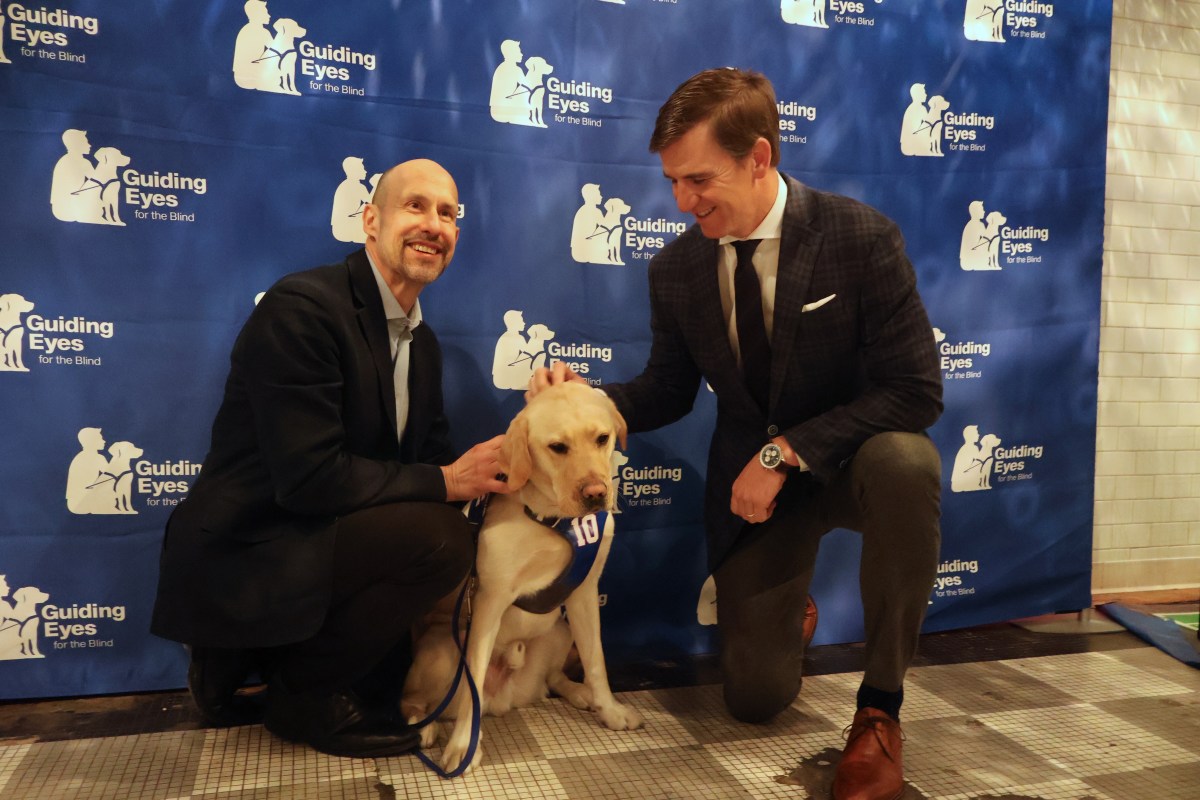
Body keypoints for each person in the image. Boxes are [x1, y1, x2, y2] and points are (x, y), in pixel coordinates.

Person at [531, 68, 942, 800]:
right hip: (756, 499)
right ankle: (790, 614)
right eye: (671, 182)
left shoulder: (861, 237)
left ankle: (881, 709)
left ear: (759, 157)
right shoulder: (678, 268)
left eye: (698, 180)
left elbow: (915, 391)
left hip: (851, 465)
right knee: (753, 699)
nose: (682, 202)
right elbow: (666, 389)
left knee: (907, 462)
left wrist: (785, 453)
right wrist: (586, 402)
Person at [151, 159, 510, 759]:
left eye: (448, 213)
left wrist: (520, 447)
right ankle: (294, 694)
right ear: (371, 221)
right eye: (415, 206)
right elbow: (311, 479)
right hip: (255, 542)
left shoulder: (423, 345)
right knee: (440, 539)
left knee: (396, 661)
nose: (434, 225)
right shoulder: (304, 309)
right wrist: (448, 481)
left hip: (329, 536)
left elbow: (433, 462)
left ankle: (274, 662)